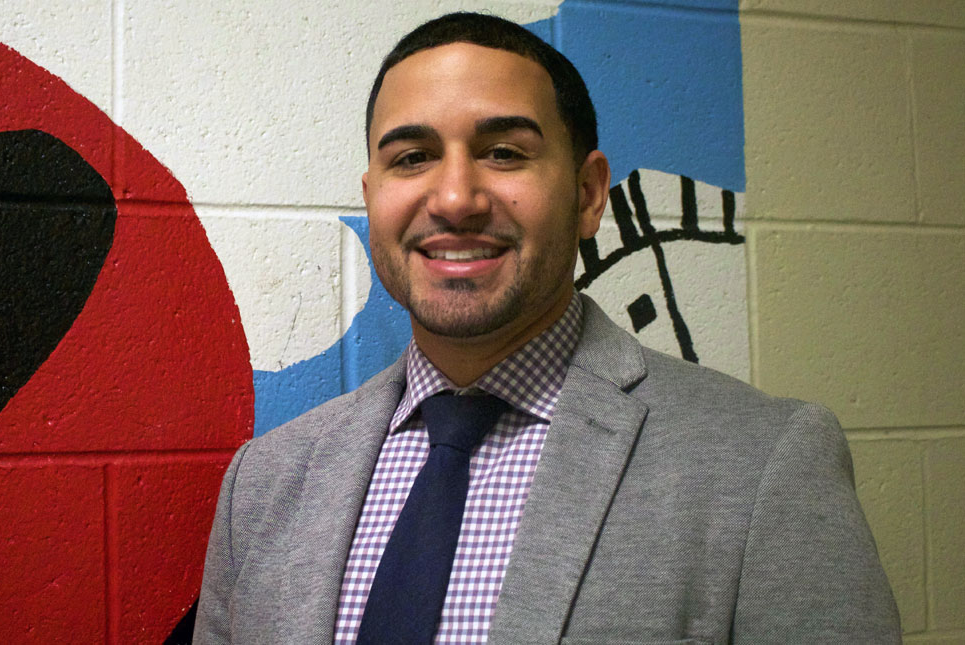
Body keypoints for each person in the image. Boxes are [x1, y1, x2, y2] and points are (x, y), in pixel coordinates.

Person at [194, 12, 900, 644]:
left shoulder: (765, 465)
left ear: (588, 194)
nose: (454, 198)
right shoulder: (264, 483)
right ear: (372, 195)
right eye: (411, 157)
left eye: (503, 152)